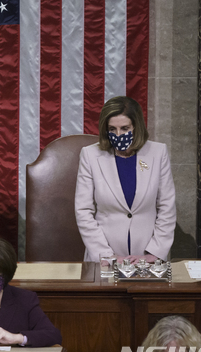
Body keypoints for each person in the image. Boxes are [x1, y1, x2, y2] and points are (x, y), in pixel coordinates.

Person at [75, 96, 176, 263]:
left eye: (124, 128)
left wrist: (155, 252)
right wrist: (105, 254)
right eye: (112, 129)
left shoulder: (158, 153)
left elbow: (167, 207)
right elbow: (83, 211)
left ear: (136, 126)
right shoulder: (90, 155)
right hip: (104, 258)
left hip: (147, 257)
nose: (118, 134)